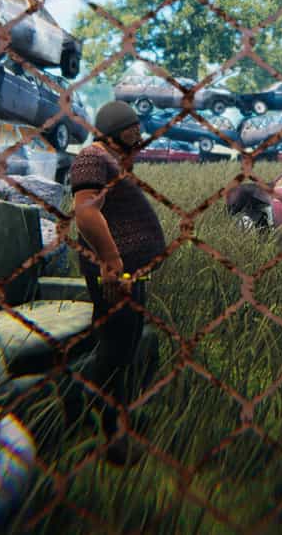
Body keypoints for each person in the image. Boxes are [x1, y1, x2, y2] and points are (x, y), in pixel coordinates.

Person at [68, 99, 165, 467]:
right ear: (112, 132)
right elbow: (86, 212)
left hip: (131, 269)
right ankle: (109, 431)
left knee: (126, 343)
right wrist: (111, 261)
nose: (138, 138)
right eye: (131, 131)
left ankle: (115, 418)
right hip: (115, 271)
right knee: (116, 348)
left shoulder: (112, 160)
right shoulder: (92, 157)